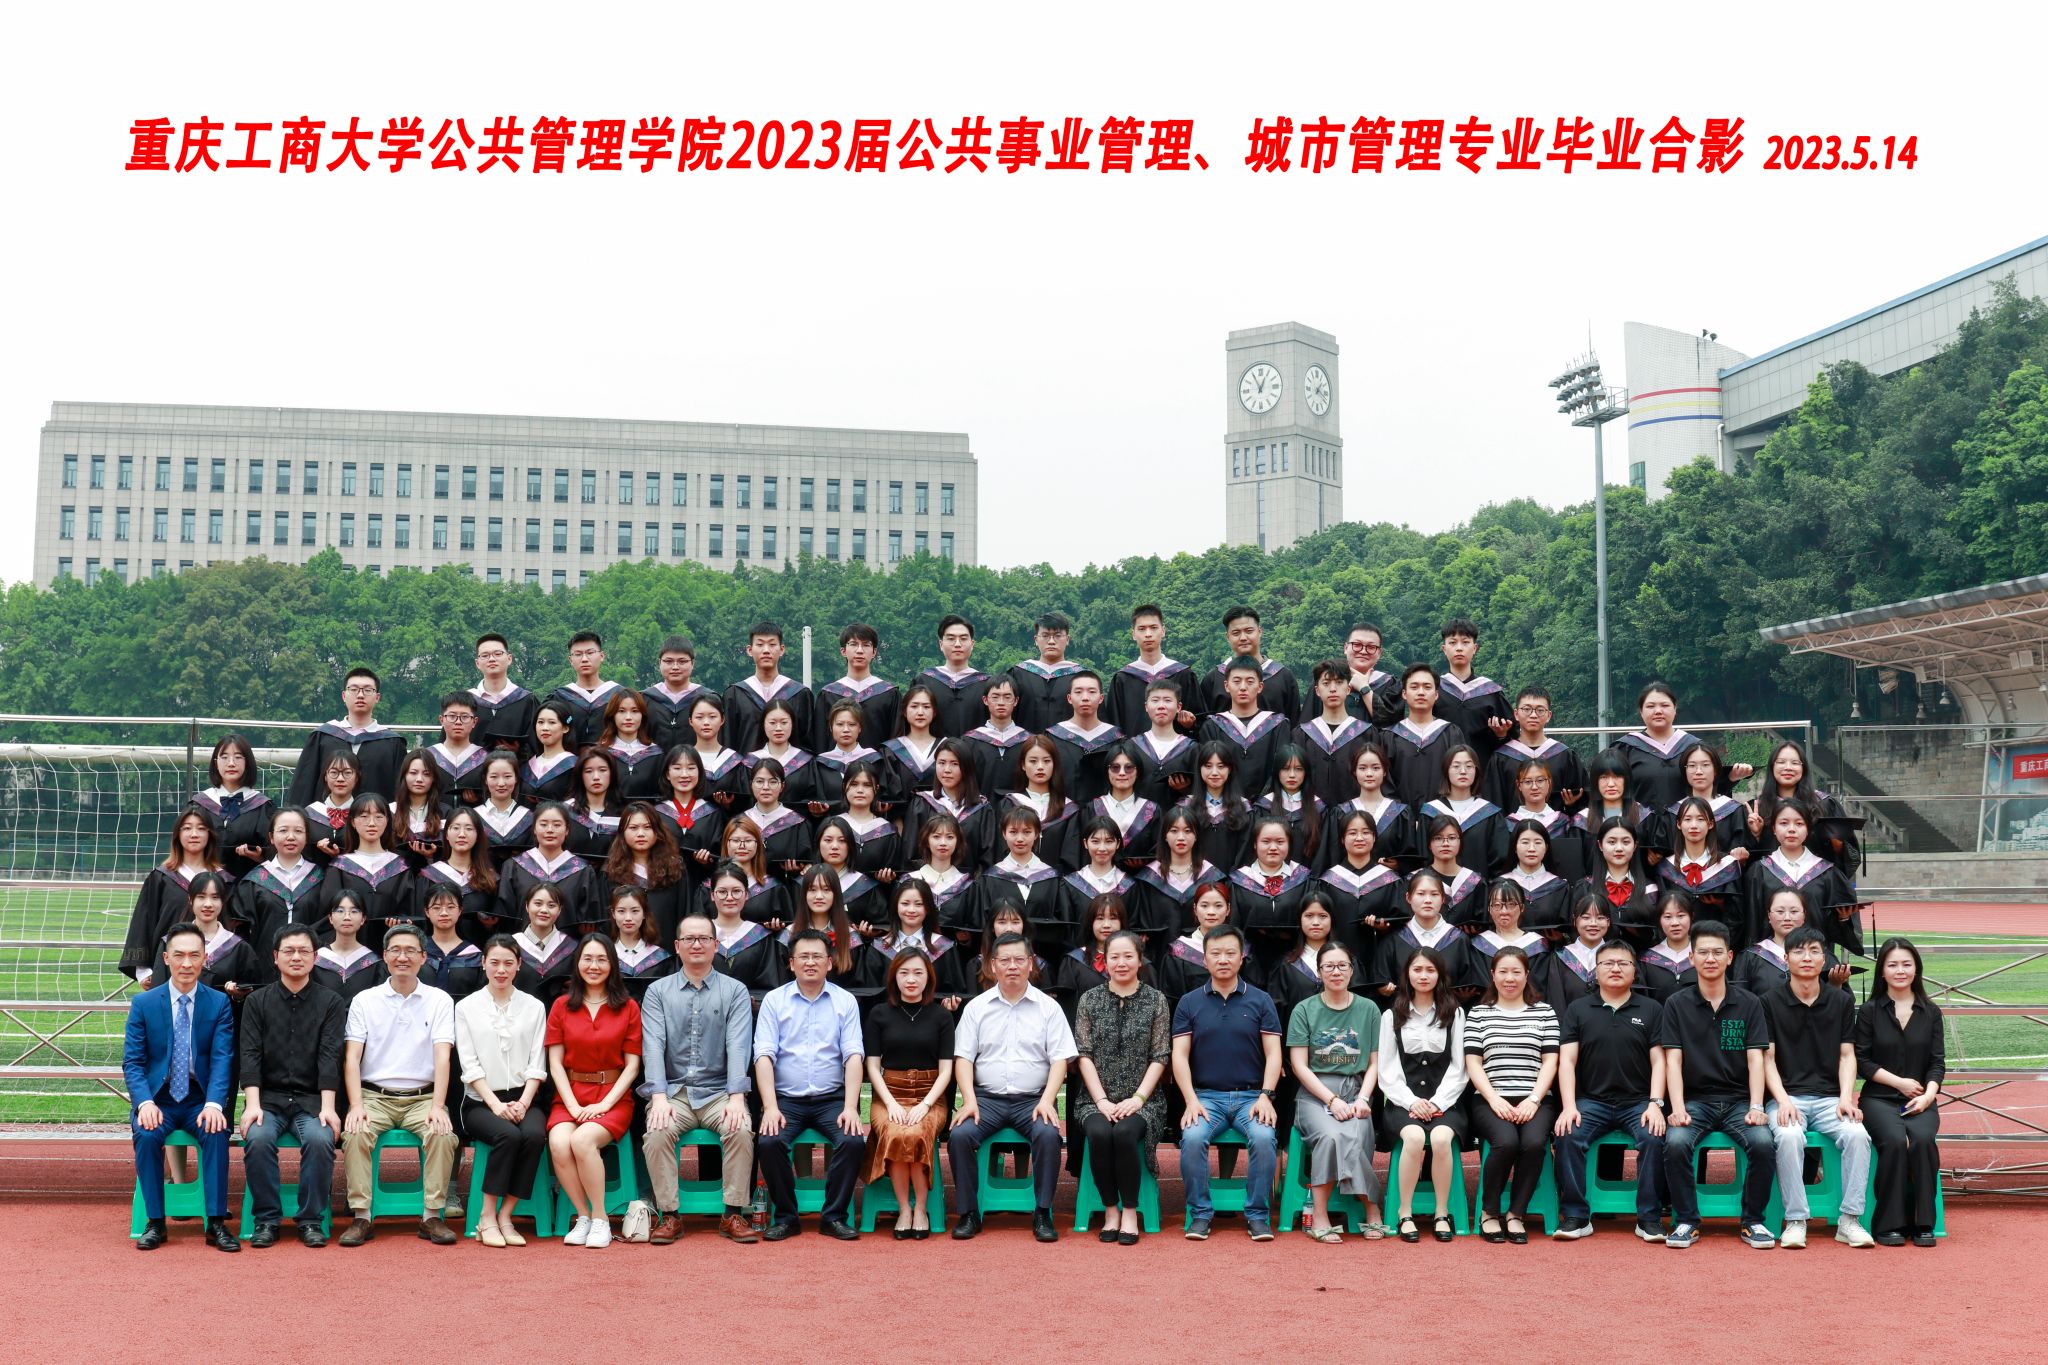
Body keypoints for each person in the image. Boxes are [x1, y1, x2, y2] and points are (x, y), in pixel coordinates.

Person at [640, 913, 760, 1245]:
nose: (697, 945)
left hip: (719, 1091)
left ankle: (732, 1213)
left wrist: (737, 1097)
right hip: (674, 1092)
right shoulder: (658, 992)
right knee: (657, 1132)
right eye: (689, 939)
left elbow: (738, 1045)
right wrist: (658, 1097)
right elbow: (653, 1045)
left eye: (704, 938)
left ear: (715, 945)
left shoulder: (734, 991)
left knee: (740, 1128)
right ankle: (670, 1215)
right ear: (677, 946)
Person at [949, 931, 1077, 1242]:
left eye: (1019, 959)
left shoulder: (1048, 1008)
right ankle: (969, 1213)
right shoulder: (977, 1007)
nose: (1012, 966)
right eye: (1005, 960)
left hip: (1032, 1100)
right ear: (993, 965)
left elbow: (1060, 1060)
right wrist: (968, 1100)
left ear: (1031, 963)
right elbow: (963, 1058)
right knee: (960, 1135)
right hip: (986, 1100)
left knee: (1048, 1135)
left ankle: (1042, 1212)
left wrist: (1047, 1100)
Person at [338, 923, 460, 1247]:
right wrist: (356, 1105)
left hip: (423, 1098)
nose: (402, 957)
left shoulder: (439, 1000)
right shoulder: (365, 1000)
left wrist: (438, 1106)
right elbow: (352, 1057)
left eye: (410, 951)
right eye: (395, 950)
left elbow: (443, 1057)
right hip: (374, 1096)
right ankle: (362, 1215)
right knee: (356, 1133)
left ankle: (431, 1215)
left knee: (442, 1135)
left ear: (423, 957)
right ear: (384, 956)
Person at [1658, 919, 1777, 1250]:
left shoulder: (1749, 1003)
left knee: (1763, 1143)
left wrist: (1756, 1106)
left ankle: (1753, 1221)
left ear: (1730, 957)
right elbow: (1673, 1061)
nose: (1710, 959)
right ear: (1691, 958)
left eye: (1717, 952)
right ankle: (1686, 1221)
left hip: (1739, 1101)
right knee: (1676, 1142)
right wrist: (1677, 1108)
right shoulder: (1676, 1004)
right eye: (1703, 952)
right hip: (1696, 1101)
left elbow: (1756, 1060)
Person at [125, 922, 239, 1252]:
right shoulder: (144, 1004)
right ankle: (155, 1222)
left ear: (205, 958)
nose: (186, 963)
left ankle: (215, 1222)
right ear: (166, 958)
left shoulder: (218, 1003)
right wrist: (144, 1103)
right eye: (179, 956)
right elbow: (133, 1062)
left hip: (198, 1098)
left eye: (194, 955)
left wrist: (215, 1104)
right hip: (158, 1098)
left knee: (216, 1132)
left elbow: (222, 1059)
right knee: (147, 1135)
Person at [1763, 925, 1876, 1249]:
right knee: (1788, 1136)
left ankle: (1849, 1220)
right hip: (1787, 1097)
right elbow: (1767, 1059)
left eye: (1814, 951)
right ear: (1786, 959)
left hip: (1829, 1099)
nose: (1807, 957)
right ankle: (1796, 1220)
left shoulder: (1840, 1001)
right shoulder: (1769, 1001)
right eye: (1799, 951)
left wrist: (1846, 1097)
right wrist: (1783, 1100)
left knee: (1857, 1135)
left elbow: (1846, 1055)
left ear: (1824, 959)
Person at [754, 928, 868, 1240]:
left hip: (832, 1099)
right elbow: (763, 1056)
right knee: (769, 1141)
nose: (810, 962)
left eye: (817, 956)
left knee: (852, 1140)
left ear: (829, 962)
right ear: (791, 963)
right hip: (786, 1100)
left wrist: (850, 1107)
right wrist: (770, 1107)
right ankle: (786, 1217)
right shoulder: (774, 1001)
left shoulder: (845, 1001)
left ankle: (834, 1216)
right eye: (803, 956)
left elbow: (853, 1056)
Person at [238, 923, 347, 1248]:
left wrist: (328, 1108)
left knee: (320, 1139)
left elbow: (330, 1056)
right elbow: (250, 1055)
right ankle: (266, 1220)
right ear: (275, 957)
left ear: (315, 957)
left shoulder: (331, 1002)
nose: (296, 957)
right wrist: (252, 1105)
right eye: (289, 951)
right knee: (257, 1138)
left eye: (303, 951)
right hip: (268, 1099)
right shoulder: (257, 1002)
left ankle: (311, 1219)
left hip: (311, 1100)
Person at [1172, 923, 1283, 1241]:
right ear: (1204, 958)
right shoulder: (1189, 1002)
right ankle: (1200, 1213)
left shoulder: (1261, 1000)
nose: (1223, 959)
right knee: (1192, 1138)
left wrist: (1266, 1095)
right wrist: (1191, 1100)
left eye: (1230, 953)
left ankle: (1258, 1215)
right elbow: (1179, 1055)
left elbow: (1274, 1053)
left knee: (1264, 1138)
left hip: (1251, 1097)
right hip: (1206, 1098)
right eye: (1216, 953)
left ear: (1242, 956)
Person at [1073, 929, 1171, 1245]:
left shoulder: (1156, 1000)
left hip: (1144, 1100)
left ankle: (1130, 1210)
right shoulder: (1089, 1000)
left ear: (1140, 960)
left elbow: (1160, 1056)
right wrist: (1101, 1100)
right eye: (1114, 956)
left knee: (1125, 1133)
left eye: (1129, 956)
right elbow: (1084, 1055)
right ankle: (1110, 1209)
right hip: (1095, 1099)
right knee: (1100, 1133)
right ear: (1104, 961)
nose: (1122, 962)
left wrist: (1138, 1098)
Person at [545, 934, 643, 1248]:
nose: (594, 966)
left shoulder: (628, 1007)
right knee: (559, 1143)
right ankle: (583, 1216)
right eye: (587, 959)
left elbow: (632, 1066)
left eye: (601, 959)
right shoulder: (562, 1006)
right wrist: (573, 1106)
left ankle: (601, 1218)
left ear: (612, 964)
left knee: (582, 1140)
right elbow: (555, 1064)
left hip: (614, 1096)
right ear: (577, 963)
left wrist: (604, 1104)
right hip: (571, 1094)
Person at [454, 934, 550, 1248]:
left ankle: (506, 1215)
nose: (501, 969)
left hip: (524, 1097)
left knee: (534, 1135)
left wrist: (523, 1102)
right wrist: (496, 1105)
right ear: (483, 963)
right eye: (494, 962)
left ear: (519, 965)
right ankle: (486, 1216)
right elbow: (469, 1065)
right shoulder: (466, 1007)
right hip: (481, 1101)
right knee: (507, 1135)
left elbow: (537, 1061)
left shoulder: (534, 1007)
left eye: (509, 963)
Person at [1287, 940, 1385, 1243]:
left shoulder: (1369, 1009)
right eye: (1328, 966)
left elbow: (1375, 1062)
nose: (1336, 971)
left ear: (1352, 970)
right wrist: (1331, 1100)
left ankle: (1368, 1207)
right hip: (1315, 1094)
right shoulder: (1304, 1009)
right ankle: (1328, 1213)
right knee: (1332, 1135)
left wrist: (1363, 1098)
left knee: (1358, 1131)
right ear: (1319, 972)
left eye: (1342, 965)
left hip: (1356, 1090)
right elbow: (1299, 1065)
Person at [1464, 946, 1561, 1244]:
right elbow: (1473, 1063)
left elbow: (1551, 1061)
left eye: (1516, 972)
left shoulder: (1544, 1012)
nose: (1510, 978)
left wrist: (1534, 1099)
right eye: (1503, 972)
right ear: (1493, 975)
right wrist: (1494, 1098)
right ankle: (1489, 1213)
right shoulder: (1479, 1013)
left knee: (1533, 1144)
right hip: (1489, 1098)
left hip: (1536, 1098)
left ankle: (1516, 1213)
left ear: (1527, 975)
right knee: (1506, 1142)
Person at [1855, 937, 1944, 1247]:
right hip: (1879, 1098)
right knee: (1894, 1141)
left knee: (1922, 1142)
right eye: (1892, 965)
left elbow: (1937, 1063)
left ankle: (1923, 1223)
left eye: (1907, 964)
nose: (1900, 970)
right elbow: (1863, 1061)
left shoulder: (1930, 1012)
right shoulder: (1869, 1011)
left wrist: (1928, 1096)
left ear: (1917, 968)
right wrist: (1900, 1083)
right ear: (1882, 971)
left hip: (1922, 1099)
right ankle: (1889, 1223)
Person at [863, 946, 957, 1240]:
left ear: (928, 977)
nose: (911, 979)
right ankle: (905, 1208)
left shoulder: (941, 1016)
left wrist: (925, 1105)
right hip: (889, 1094)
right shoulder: (879, 1014)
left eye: (918, 973)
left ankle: (922, 1208)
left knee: (916, 1133)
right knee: (896, 1132)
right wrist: (890, 1103)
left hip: (930, 1096)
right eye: (904, 973)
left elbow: (946, 1070)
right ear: (894, 977)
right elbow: (872, 1066)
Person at [1376, 945, 1468, 1243]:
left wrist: (1438, 1102)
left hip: (1446, 1101)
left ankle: (1442, 1212)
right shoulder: (1391, 1015)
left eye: (1430, 969)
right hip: (1403, 1102)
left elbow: (1459, 1067)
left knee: (1441, 1138)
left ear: (1440, 974)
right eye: (1417, 969)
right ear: (1407, 974)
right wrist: (1412, 1102)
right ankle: (1405, 1213)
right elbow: (1387, 1069)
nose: (1423, 975)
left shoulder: (1454, 1013)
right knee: (1413, 1137)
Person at [289, 667, 406, 804]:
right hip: (325, 816)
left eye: (368, 690)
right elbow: (303, 786)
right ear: (344, 696)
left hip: (374, 816)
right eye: (354, 689)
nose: (360, 695)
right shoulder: (322, 737)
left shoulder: (392, 742)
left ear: (377, 697)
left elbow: (400, 791)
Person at [1199, 656, 1294, 794]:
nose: (1243, 687)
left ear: (1260, 687)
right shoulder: (1212, 726)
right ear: (1226, 686)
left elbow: (1281, 768)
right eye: (1236, 681)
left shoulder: (1278, 725)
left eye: (1250, 681)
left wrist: (1263, 802)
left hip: (1269, 804)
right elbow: (1208, 770)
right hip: (1226, 803)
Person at [1484, 687, 1585, 813]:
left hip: (1556, 825)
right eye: (1526, 709)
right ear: (1516, 714)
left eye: (1540, 710)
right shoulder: (1501, 758)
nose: (1533, 715)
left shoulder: (1564, 756)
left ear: (1549, 716)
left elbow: (1581, 803)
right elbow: (1493, 804)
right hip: (1512, 826)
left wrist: (1572, 806)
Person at [1107, 604, 1201, 737]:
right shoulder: (1123, 679)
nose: (1148, 634)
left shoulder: (1183, 674)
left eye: (1153, 628)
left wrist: (1191, 724)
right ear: (1133, 634)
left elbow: (1200, 722)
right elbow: (1114, 726)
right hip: (1133, 749)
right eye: (1142, 629)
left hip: (1178, 749)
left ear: (1163, 631)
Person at [722, 621, 814, 755]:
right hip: (747, 768)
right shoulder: (735, 694)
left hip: (790, 767)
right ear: (749, 650)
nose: (766, 650)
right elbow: (728, 743)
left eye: (772, 644)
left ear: (782, 649)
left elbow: (808, 744)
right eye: (760, 645)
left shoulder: (799, 694)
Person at [1433, 618, 1513, 768]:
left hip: (1482, 770)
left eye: (1465, 642)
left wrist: (1501, 734)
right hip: (1441, 770)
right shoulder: (1434, 690)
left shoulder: (1490, 692)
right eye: (1452, 642)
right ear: (1444, 649)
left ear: (1475, 648)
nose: (1459, 648)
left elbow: (1511, 738)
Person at [1382, 663, 1462, 811]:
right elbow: (1385, 783)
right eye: (1414, 687)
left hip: (1444, 818)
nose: (1421, 692)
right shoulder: (1390, 736)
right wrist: (1402, 816)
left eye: (1427, 687)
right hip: (1400, 818)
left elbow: (1460, 778)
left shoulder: (1451, 733)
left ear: (1436, 695)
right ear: (1404, 694)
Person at [1200, 605, 1300, 721]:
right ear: (1228, 637)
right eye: (1236, 633)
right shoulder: (1214, 679)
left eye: (1249, 631)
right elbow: (1203, 724)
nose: (1243, 637)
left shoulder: (1283, 677)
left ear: (1259, 631)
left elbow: (1294, 722)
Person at [1298, 660, 1375, 810]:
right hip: (1311, 815)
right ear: (1317, 691)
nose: (1333, 689)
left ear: (1348, 689)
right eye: (1326, 683)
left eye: (1339, 682)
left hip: (1355, 816)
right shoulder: (1303, 734)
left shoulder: (1366, 733)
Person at [194, 733, 272, 878]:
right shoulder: (198, 804)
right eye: (224, 757)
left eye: (238, 757)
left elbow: (275, 855)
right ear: (215, 762)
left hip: (249, 885)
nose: (231, 763)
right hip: (204, 886)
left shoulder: (262, 806)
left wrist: (260, 857)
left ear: (247, 762)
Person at [1043, 669, 1124, 806]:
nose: (1085, 697)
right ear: (1069, 698)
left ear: (1101, 698)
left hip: (1107, 814)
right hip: (1063, 812)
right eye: (1078, 692)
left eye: (1092, 692)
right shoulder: (1053, 736)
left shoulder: (1117, 738)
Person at [815, 623, 899, 752]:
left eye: (866, 645)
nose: (860, 650)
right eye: (853, 644)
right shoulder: (828, 694)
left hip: (879, 764)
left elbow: (896, 739)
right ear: (843, 651)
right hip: (835, 764)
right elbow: (820, 740)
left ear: (874, 652)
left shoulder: (889, 694)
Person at [549, 630, 629, 750]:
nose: (584, 659)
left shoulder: (619, 695)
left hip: (611, 760)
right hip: (570, 760)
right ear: (570, 660)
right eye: (578, 654)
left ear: (602, 656)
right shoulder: (559, 697)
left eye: (590, 653)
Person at [1009, 611, 1085, 733]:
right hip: (1026, 743)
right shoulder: (1018, 674)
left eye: (1058, 636)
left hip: (1070, 743)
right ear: (1036, 640)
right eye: (1045, 635)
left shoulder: (1082, 676)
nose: (1051, 641)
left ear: (1067, 639)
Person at [919, 614, 993, 739]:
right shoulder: (924, 681)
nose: (957, 644)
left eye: (963, 639)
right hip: (933, 750)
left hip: (975, 750)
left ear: (972, 644)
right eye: (951, 638)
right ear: (941, 644)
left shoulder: (987, 684)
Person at [470, 633, 540, 758]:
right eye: (485, 655)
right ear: (477, 663)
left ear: (509, 658)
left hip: (516, 769)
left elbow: (538, 744)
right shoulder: (466, 702)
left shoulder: (527, 701)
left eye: (498, 654)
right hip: (472, 770)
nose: (491, 659)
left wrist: (519, 751)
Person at [643, 635, 712, 752]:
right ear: (659, 663)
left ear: (692, 663)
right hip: (653, 763)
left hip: (696, 762)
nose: (675, 667)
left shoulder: (708, 699)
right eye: (668, 661)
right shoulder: (644, 699)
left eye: (682, 661)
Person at [598, 689, 666, 803]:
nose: (628, 717)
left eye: (635, 711)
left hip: (646, 813)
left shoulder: (656, 755)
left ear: (642, 715)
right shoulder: (600, 753)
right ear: (612, 715)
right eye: (621, 711)